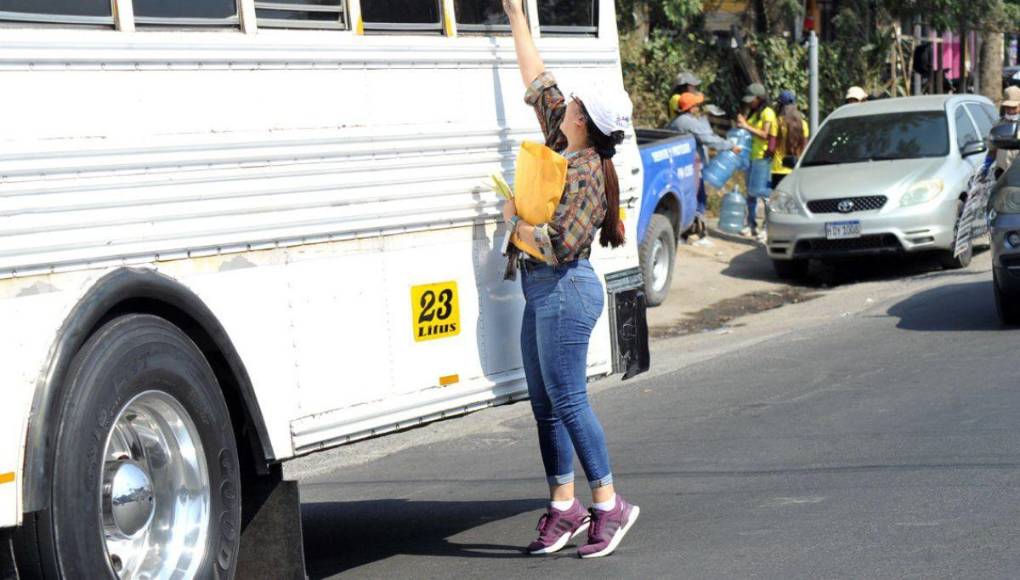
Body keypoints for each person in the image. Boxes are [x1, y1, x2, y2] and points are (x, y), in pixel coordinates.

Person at [501, 0, 640, 559]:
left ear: (582, 121)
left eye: (573, 104)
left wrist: (514, 220)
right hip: (542, 292)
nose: (565, 105)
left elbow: (557, 247)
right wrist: (516, 16)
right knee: (545, 404)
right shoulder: (566, 145)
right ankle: (565, 508)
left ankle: (609, 503)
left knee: (568, 399)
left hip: (566, 288)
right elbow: (540, 84)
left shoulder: (584, 173)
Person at [666, 92, 742, 222]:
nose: (698, 108)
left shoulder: (675, 122)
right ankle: (695, 230)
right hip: (691, 167)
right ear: (691, 108)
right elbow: (709, 139)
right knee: (700, 199)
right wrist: (730, 145)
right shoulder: (688, 122)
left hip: (679, 167)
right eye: (697, 105)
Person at [736, 82, 776, 237]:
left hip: (762, 157)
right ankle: (750, 224)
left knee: (763, 193)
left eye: (752, 99)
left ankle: (768, 227)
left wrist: (746, 126)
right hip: (750, 156)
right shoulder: (754, 113)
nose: (749, 102)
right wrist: (742, 125)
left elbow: (765, 134)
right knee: (750, 193)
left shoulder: (768, 113)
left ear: (759, 98)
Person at [771, 90, 809, 191]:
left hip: (778, 169)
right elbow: (804, 149)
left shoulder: (777, 122)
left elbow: (771, 147)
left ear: (780, 105)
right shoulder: (803, 124)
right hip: (796, 170)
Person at [992, 86, 1020, 178]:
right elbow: (992, 147)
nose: (1011, 111)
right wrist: (987, 163)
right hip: (1001, 174)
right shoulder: (999, 124)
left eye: (1014, 107)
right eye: (1008, 107)